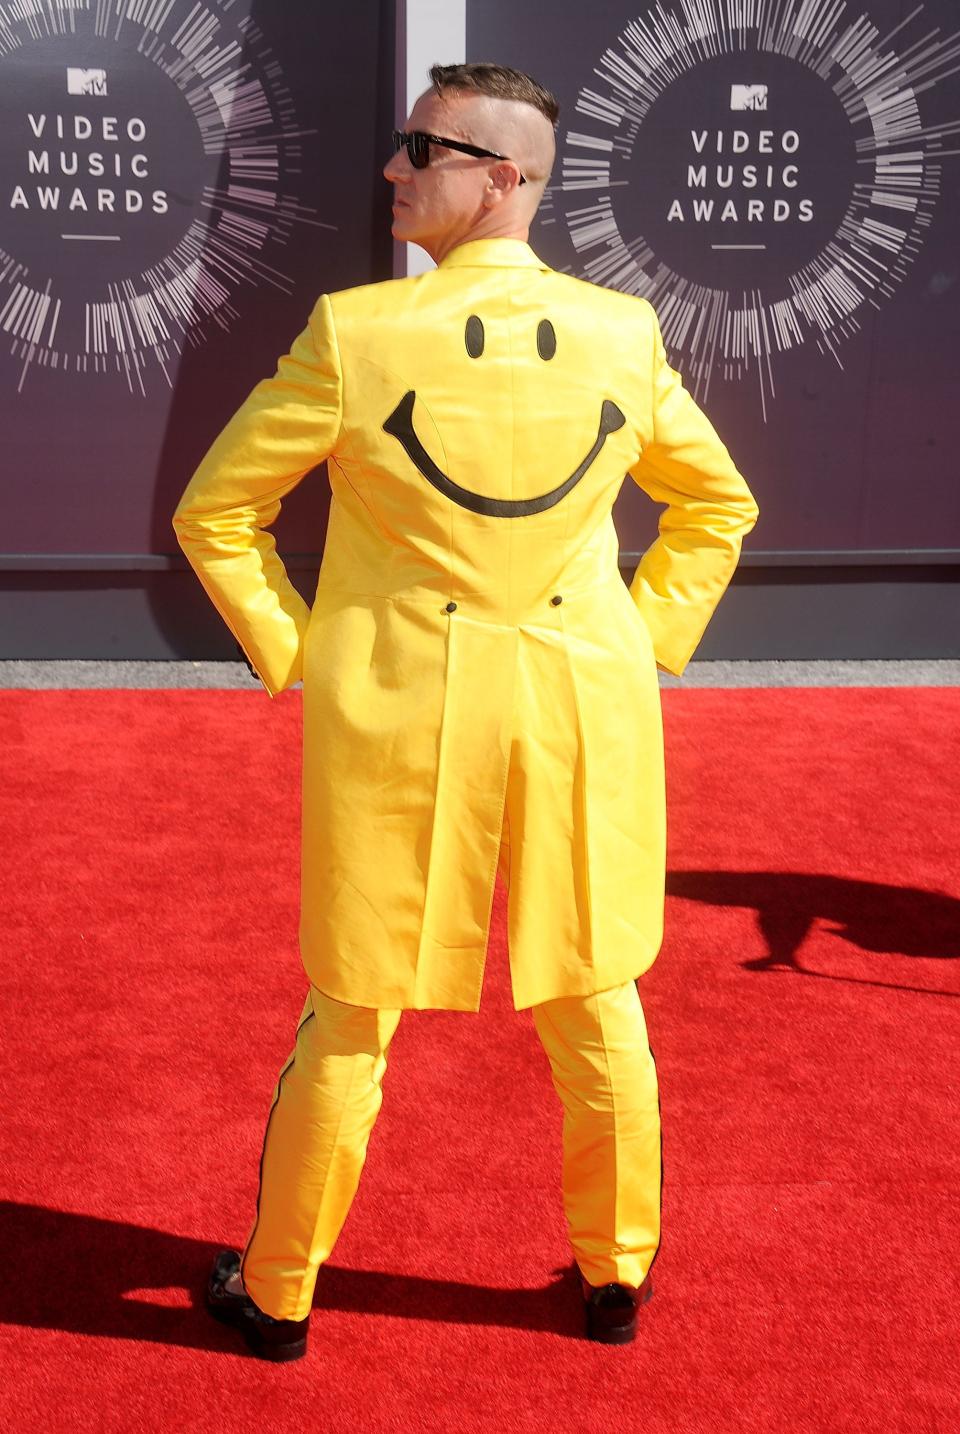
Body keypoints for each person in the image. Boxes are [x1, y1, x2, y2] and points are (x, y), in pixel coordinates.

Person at [173, 61, 759, 1361]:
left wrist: (304, 651)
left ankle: (277, 1293)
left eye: (420, 148)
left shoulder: (356, 332)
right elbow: (717, 507)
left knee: (353, 1008)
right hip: (582, 707)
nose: (392, 169)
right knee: (598, 995)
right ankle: (617, 1277)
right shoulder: (624, 334)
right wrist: (644, 632)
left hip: (398, 711)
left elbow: (216, 512)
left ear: (506, 177)